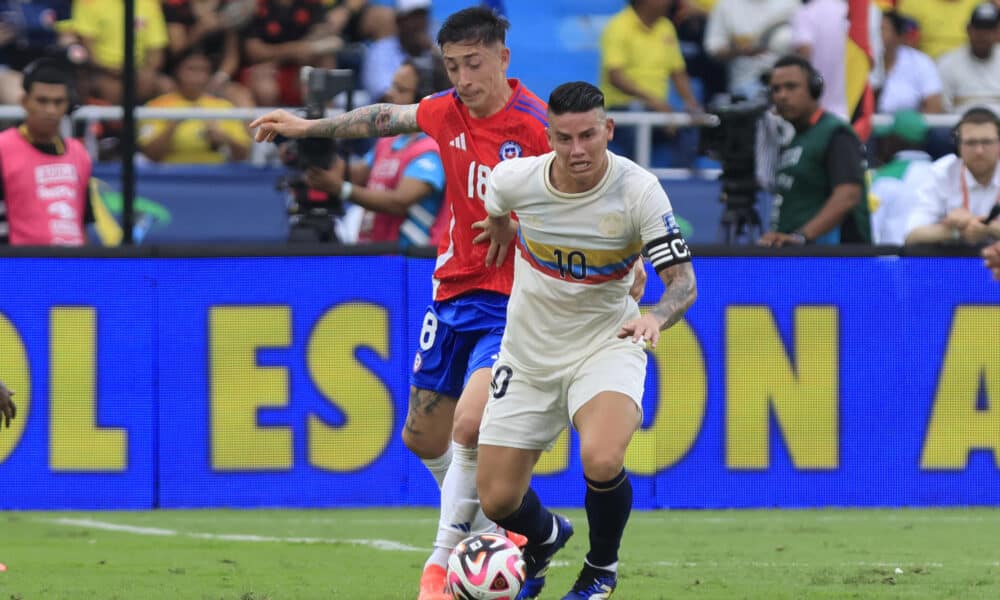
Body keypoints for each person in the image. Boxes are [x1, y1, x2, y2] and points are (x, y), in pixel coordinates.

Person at [250, 8, 554, 600]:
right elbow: (384, 117)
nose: (463, 78)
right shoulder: (446, 110)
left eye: (474, 64)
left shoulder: (538, 126)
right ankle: (510, 532)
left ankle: (441, 565)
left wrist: (521, 233)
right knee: (421, 436)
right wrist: (306, 128)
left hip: (515, 302)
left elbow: (578, 209)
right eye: (452, 66)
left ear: (503, 58)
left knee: (469, 425)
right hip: (453, 290)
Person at [473, 81, 696, 600]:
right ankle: (547, 536)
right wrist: (501, 228)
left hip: (607, 342)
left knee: (601, 458)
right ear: (547, 136)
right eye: (564, 138)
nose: (577, 150)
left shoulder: (638, 190)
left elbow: (683, 282)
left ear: (608, 131)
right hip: (527, 353)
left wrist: (656, 317)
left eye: (588, 136)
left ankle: (600, 568)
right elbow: (497, 207)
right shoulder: (515, 179)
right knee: (497, 500)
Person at [305, 58, 449, 249]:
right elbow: (357, 173)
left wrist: (341, 189)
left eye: (401, 90)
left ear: (424, 97)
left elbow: (399, 202)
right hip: (376, 253)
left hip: (408, 262)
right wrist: (318, 149)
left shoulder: (432, 149)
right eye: (393, 86)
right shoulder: (389, 140)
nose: (390, 94)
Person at [758, 55, 870, 247]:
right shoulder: (796, 137)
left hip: (833, 262)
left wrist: (801, 237)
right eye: (776, 89)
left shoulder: (836, 133)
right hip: (800, 257)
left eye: (791, 87)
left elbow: (848, 195)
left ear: (814, 89)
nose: (782, 95)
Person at [0, 57, 92, 246]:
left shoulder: (79, 153)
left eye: (58, 102)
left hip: (72, 263)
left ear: (67, 105)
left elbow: (82, 222)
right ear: (25, 102)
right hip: (21, 265)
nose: (50, 110)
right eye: (42, 101)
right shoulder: (3, 148)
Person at [598, 0, 703, 164]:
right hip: (622, 107)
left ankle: (682, 182)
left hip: (658, 108)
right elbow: (615, 77)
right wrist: (654, 102)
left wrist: (691, 102)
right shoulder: (618, 26)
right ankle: (634, 180)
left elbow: (677, 72)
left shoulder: (666, 27)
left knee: (691, 122)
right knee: (637, 114)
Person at [138, 47, 251, 164]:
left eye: (203, 70)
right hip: (170, 176)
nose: (197, 76)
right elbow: (150, 155)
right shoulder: (156, 106)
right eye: (191, 69)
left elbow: (244, 155)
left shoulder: (224, 107)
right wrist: (171, 127)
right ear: (177, 71)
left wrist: (225, 139)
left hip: (215, 177)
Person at [905, 106, 1000, 245]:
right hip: (954, 265)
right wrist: (955, 231)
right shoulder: (940, 172)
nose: (979, 151)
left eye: (987, 142)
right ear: (957, 146)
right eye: (971, 143)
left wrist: (990, 228)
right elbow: (911, 236)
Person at [869, 110, 934, 245]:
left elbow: (871, 233)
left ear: (893, 141)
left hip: (890, 263)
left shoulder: (881, 179)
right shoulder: (943, 174)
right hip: (939, 264)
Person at [936, 3, 1000, 115]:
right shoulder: (948, 62)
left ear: (997, 32)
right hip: (958, 126)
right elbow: (943, 108)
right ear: (968, 29)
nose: (983, 34)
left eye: (988, 29)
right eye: (978, 28)